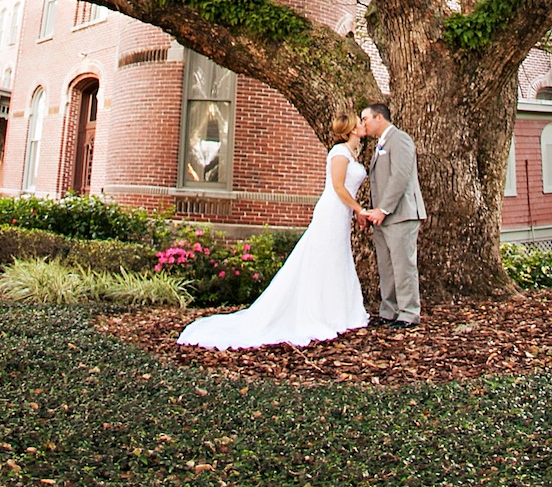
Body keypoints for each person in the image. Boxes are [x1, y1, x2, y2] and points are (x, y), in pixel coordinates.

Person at [177, 113, 370, 349]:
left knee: (336, 258)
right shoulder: (339, 153)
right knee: (323, 257)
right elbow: (339, 187)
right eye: (360, 122)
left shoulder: (353, 153)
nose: (363, 124)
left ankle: (338, 310)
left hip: (342, 214)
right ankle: (319, 312)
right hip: (332, 211)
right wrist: (359, 210)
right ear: (351, 129)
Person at [361, 102, 425, 329]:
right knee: (387, 267)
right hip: (381, 218)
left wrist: (383, 209)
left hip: (401, 215)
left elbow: (400, 176)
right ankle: (389, 312)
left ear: (379, 118)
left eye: (365, 119)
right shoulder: (380, 144)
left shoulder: (400, 139)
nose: (363, 124)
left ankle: (409, 314)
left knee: (403, 266)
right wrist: (370, 211)